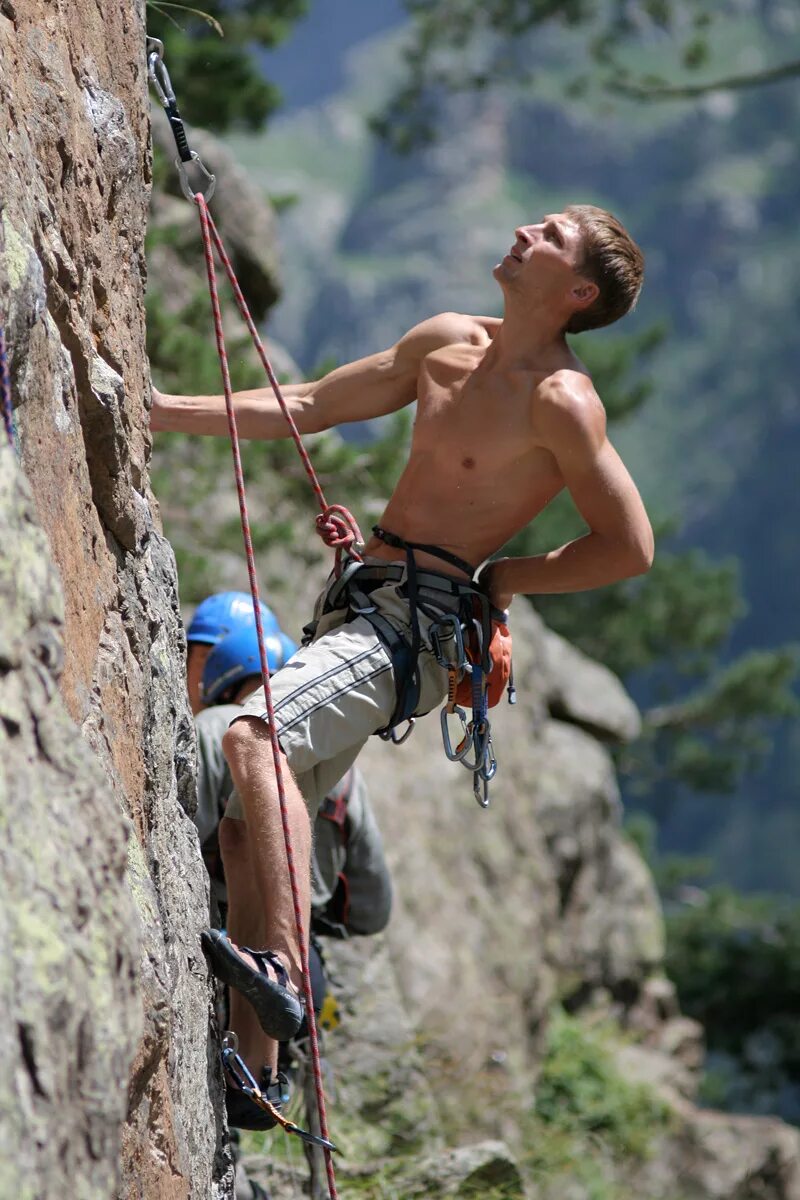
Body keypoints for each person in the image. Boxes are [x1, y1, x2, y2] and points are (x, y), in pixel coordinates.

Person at [153, 205, 654, 1085]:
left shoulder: (561, 402)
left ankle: (278, 972)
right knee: (243, 825)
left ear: (578, 292)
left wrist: (503, 580)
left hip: (411, 636)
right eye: (536, 222)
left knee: (251, 736)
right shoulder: (446, 341)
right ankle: (259, 1075)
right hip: (363, 602)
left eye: (552, 236)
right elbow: (307, 404)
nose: (525, 232)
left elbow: (629, 546)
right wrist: (160, 410)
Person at [188, 597, 393, 1129]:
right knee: (281, 1089)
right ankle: (272, 1099)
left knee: (219, 1093)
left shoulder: (214, 729)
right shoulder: (342, 772)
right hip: (312, 977)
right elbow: (372, 907)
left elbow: (193, 834)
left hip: (231, 953)